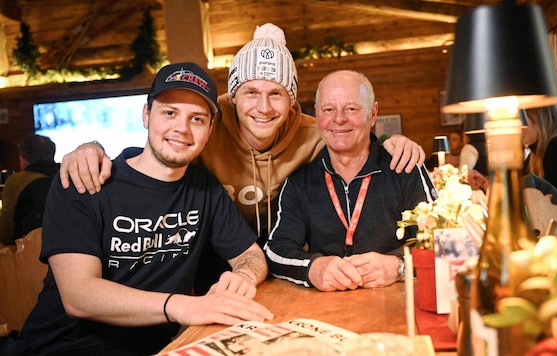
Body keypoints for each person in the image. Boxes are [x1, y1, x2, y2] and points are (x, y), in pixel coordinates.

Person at [58, 24, 426, 292]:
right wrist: (90, 147)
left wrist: (393, 142)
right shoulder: (206, 124)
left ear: (293, 102)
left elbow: (352, 133)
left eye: (277, 94)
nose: (262, 108)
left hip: (266, 270)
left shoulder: (317, 131)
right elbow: (160, 149)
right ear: (233, 96)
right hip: (209, 270)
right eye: (250, 92)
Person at [12, 62, 273, 356]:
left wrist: (244, 275)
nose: (182, 129)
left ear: (210, 130)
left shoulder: (205, 188)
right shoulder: (84, 179)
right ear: (146, 115)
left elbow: (251, 255)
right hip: (64, 347)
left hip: (162, 346)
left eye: (197, 119)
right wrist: (184, 306)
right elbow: (79, 296)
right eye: (169, 112)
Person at [263, 70, 437, 292]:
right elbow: (276, 249)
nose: (339, 119)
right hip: (324, 310)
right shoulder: (300, 182)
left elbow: (442, 240)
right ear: (317, 115)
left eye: (351, 108)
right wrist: (313, 267)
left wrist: (399, 266)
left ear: (373, 114)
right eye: (328, 109)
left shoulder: (405, 167)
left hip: (398, 304)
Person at [0, 134, 59, 247]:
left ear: (22, 159)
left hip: (33, 252)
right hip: (69, 247)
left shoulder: (17, 181)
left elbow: (6, 232)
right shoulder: (66, 176)